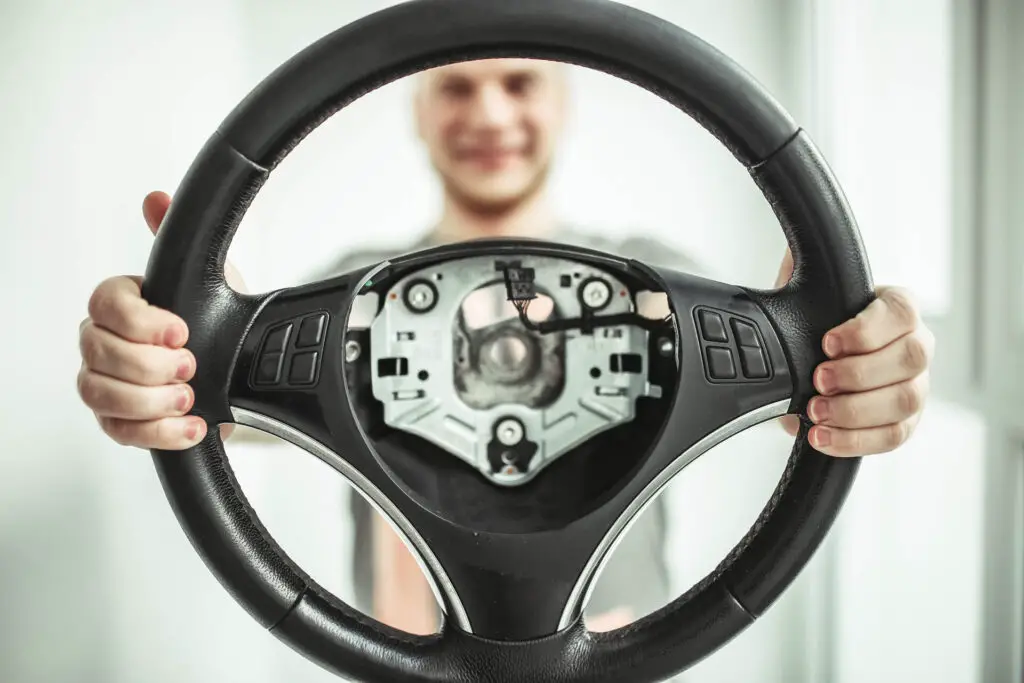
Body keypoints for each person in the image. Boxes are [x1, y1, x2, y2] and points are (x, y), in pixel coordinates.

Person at [76, 58, 935, 637]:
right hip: (403, 656)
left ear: (562, 102)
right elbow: (211, 407)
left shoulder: (664, 284)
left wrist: (851, 364)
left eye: (520, 83)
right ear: (417, 109)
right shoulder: (348, 293)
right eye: (457, 89)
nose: (490, 113)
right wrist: (161, 364)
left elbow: (805, 393)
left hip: (619, 655)